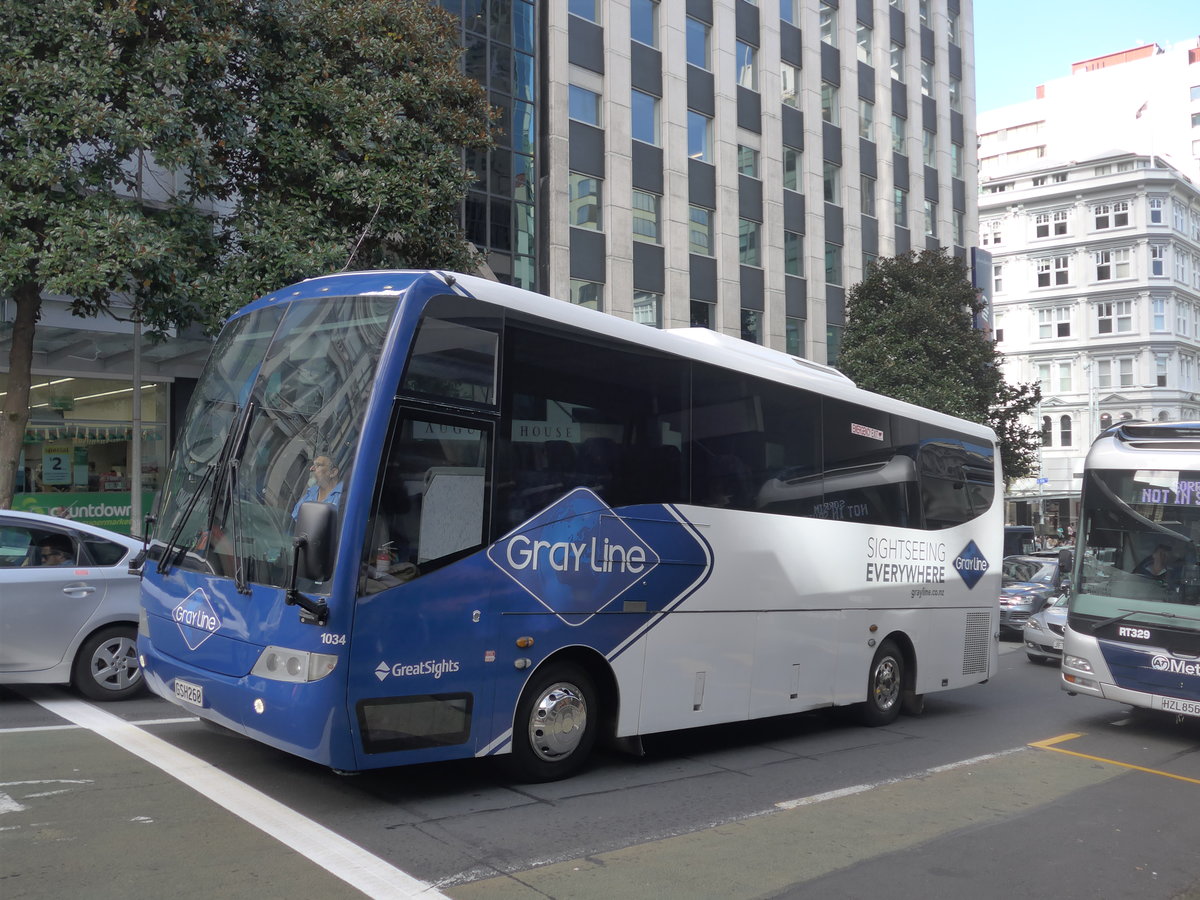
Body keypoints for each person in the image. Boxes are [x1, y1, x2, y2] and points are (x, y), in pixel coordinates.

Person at [291, 455, 343, 519]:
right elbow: (294, 519)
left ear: (333, 472)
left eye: (318, 465)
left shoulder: (344, 496)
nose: (311, 468)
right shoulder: (311, 493)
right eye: (313, 465)